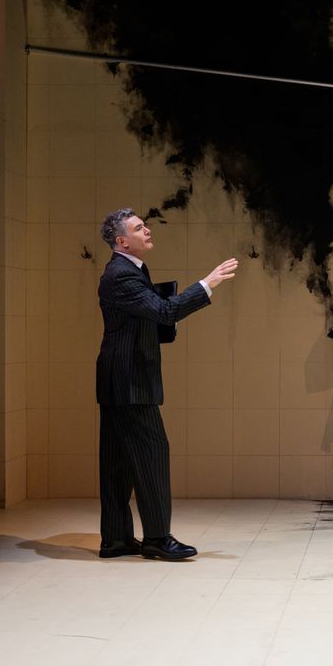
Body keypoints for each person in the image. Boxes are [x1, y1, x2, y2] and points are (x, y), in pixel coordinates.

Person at [95, 208, 238, 560]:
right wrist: (207, 284)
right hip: (130, 381)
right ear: (121, 241)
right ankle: (158, 538)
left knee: (118, 461)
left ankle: (116, 539)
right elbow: (164, 311)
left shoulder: (129, 270)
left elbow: (147, 316)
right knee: (151, 454)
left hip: (118, 377)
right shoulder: (122, 274)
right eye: (138, 228)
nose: (147, 230)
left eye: (145, 225)